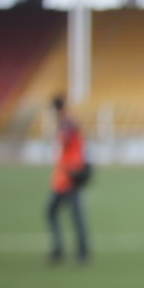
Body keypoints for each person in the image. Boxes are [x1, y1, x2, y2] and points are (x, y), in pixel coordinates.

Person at [47, 94, 91, 264]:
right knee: (56, 213)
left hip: (69, 176)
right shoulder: (69, 120)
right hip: (64, 176)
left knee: (72, 215)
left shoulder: (67, 122)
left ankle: (80, 251)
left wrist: (62, 127)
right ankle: (69, 250)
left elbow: (67, 138)